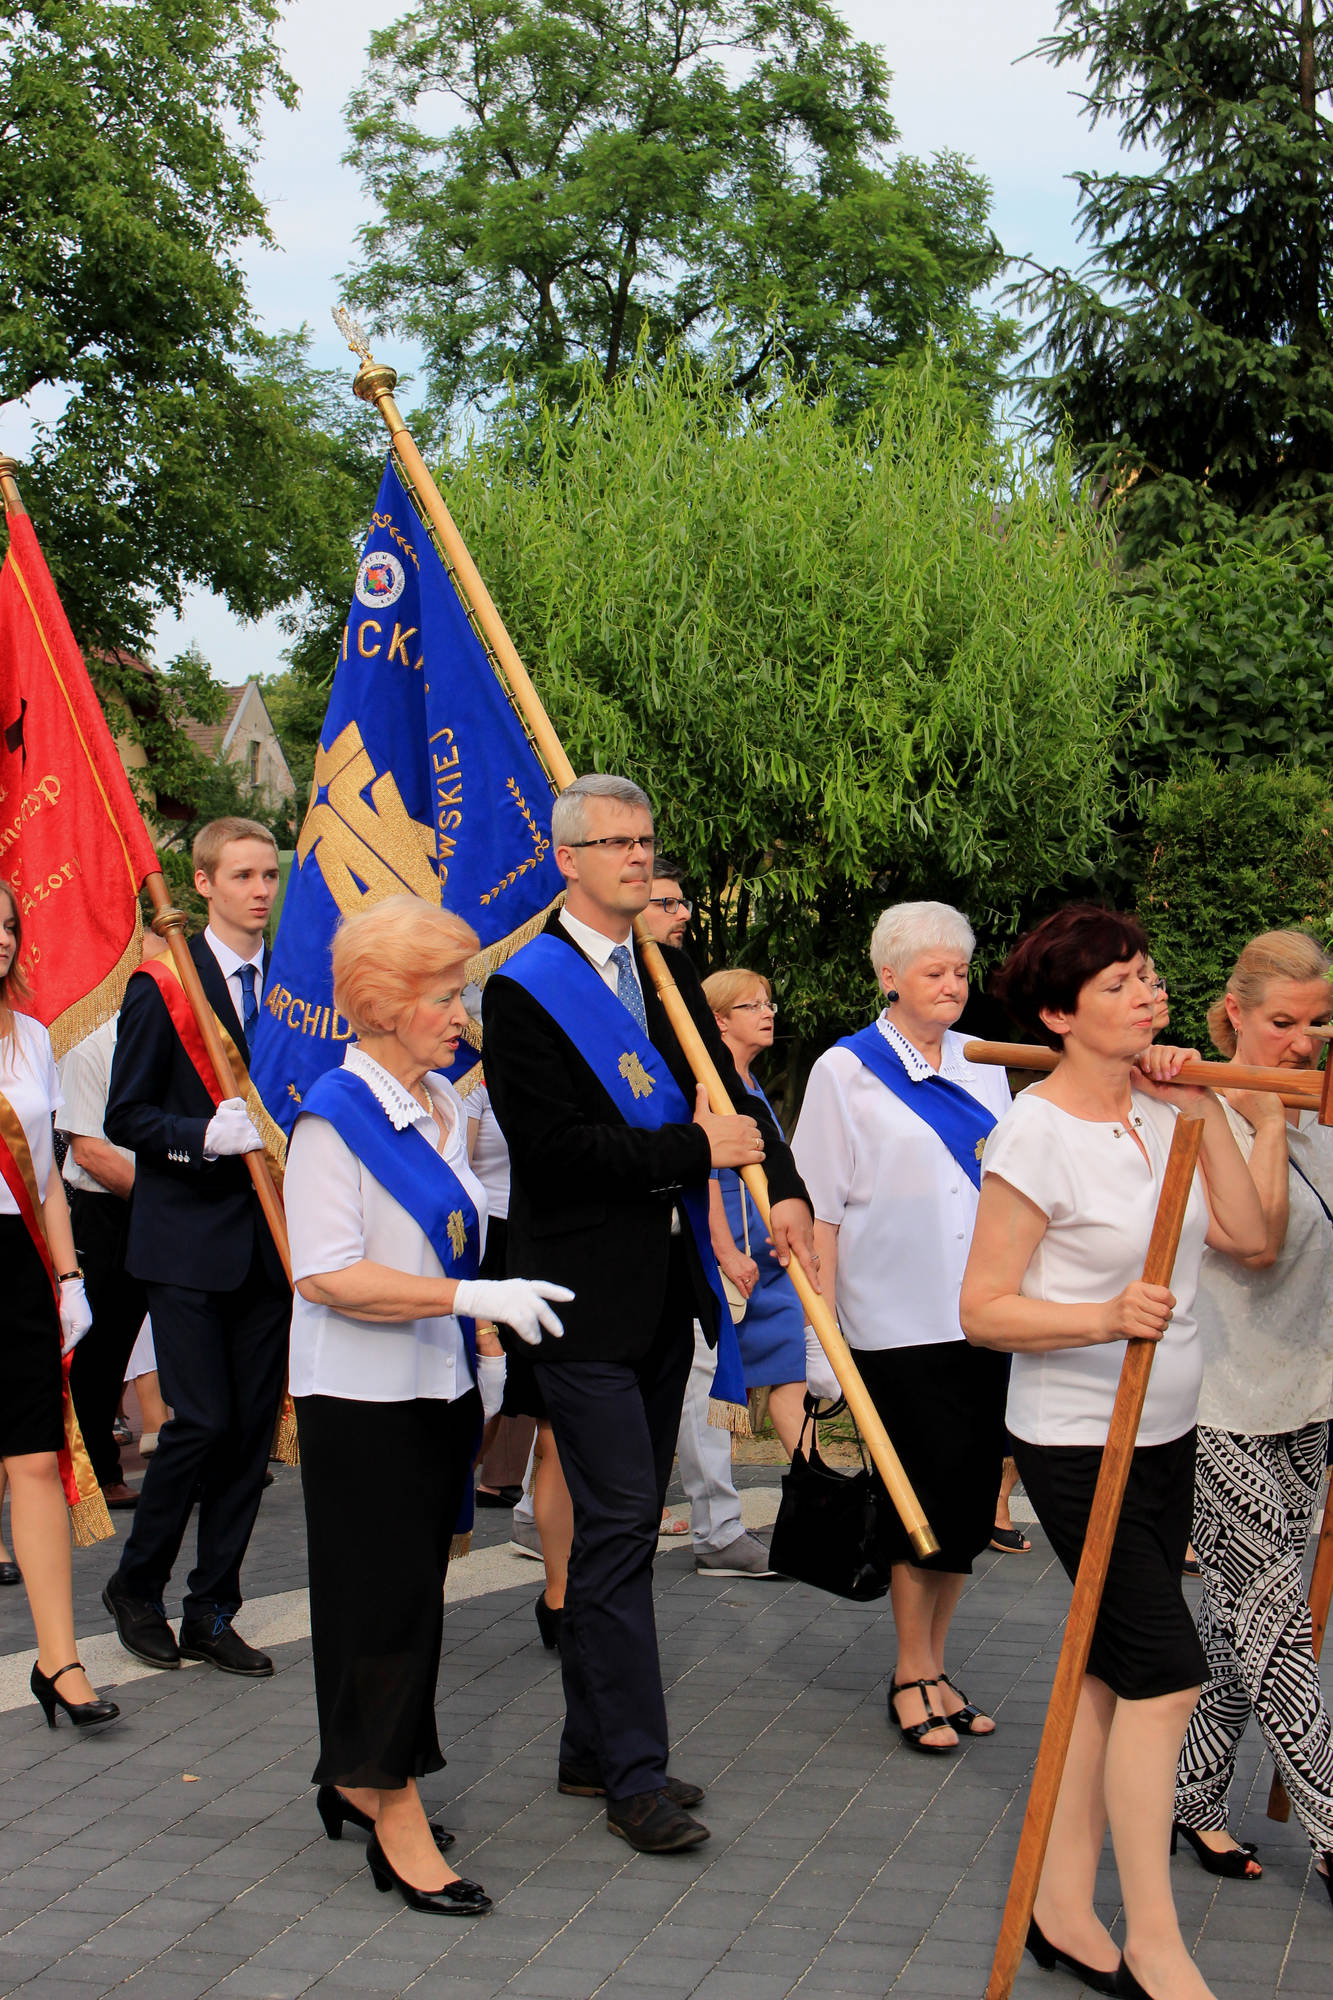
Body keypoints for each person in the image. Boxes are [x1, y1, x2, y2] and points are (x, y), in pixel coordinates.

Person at [482, 773, 817, 1853]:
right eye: (615, 842)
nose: (637, 857)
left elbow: (733, 1100)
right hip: (575, 1299)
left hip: (662, 1293)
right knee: (624, 1523)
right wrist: (688, 1150)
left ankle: (592, 1748)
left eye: (645, 840)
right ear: (566, 858)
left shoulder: (663, 972)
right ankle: (632, 1773)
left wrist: (787, 1188)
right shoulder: (522, 989)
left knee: (623, 1522)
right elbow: (554, 1153)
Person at [961, 904, 1264, 2000]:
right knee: (1167, 1674)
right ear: (1057, 1015)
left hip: (1164, 1428)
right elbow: (983, 1309)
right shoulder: (1034, 1133)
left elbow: (1249, 1235)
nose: (1147, 995)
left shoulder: (1160, 1105)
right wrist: (1102, 1316)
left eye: (1147, 975)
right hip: (1076, 1436)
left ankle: (1058, 1903)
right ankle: (1154, 1939)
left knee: (1108, 1672)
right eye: (1117, 984)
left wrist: (1204, 1108)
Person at [285, 895, 569, 1915]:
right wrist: (467, 1299)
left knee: (410, 1601)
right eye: (445, 995)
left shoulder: (442, 1101)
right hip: (359, 1398)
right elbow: (325, 1273)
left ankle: (364, 1772)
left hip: (436, 1386)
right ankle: (388, 1799)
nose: (461, 1013)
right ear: (383, 1001)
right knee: (379, 1607)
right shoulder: (335, 1116)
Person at [792, 902, 1012, 1754]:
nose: (952, 985)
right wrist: (821, 1345)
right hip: (891, 1323)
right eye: (933, 971)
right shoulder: (844, 1070)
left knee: (965, 1506)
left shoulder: (984, 1063)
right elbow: (818, 1214)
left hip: (980, 1317)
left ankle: (938, 1663)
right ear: (888, 976)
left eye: (960, 970)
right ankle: (909, 1670)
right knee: (916, 1498)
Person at [101, 817, 289, 1677]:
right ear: (203, 883)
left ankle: (213, 1608)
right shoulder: (166, 984)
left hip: (270, 1242)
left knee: (248, 1436)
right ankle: (136, 1587)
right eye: (242, 875)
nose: (260, 890)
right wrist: (199, 1138)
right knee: (201, 1421)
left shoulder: (292, 989)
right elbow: (126, 1116)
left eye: (269, 875)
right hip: (184, 1243)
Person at [1173, 931, 1333, 1908]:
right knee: (1273, 1623)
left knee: (1247, 1621)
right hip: (1216, 1403)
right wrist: (1261, 1111)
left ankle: (1190, 1795)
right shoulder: (1193, 1105)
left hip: (1307, 1396)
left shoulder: (1320, 1110)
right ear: (1233, 1011)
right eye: (1281, 1022)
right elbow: (1258, 1241)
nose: (1301, 1041)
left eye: (1317, 1023)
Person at [0, 880, 118, 1728]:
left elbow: (45, 1178)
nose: (1, 940)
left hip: (18, 1267)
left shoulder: (35, 1037)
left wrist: (70, 1280)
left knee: (37, 1461)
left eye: (9, 926)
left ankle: (61, 1660)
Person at [643, 867, 777, 1578]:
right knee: (637, 1380)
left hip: (695, 1239)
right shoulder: (620, 1009)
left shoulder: (696, 1034)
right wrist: (722, 1244)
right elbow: (700, 1159)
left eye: (680, 902)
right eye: (664, 903)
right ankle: (713, 1525)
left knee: (699, 1376)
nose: (681, 915)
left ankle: (717, 1524)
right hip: (652, 1237)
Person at [58, 930, 168, 1509]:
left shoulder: (176, 1041)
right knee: (102, 1351)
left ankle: (197, 1461)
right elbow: (89, 1150)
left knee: (174, 1340)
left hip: (165, 1208)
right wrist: (160, 1200)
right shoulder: (91, 1044)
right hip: (108, 1215)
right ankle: (96, 1473)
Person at [703, 967, 809, 1458]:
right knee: (713, 1391)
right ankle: (708, 1498)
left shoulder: (751, 1082)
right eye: (753, 1006)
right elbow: (703, 1172)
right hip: (729, 1260)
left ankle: (817, 1483)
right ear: (719, 1020)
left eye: (769, 1004)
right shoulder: (706, 1080)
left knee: (791, 1369)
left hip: (770, 1258)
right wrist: (724, 1251)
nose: (767, 1014)